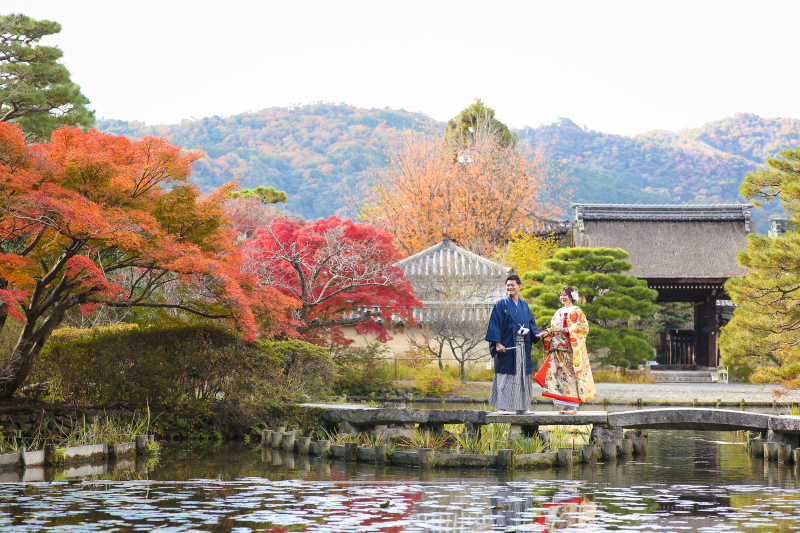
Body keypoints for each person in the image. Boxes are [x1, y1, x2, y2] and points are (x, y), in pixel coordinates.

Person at [535, 286, 596, 414]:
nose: (562, 297)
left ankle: (572, 405)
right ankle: (565, 405)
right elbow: (553, 327)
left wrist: (570, 330)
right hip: (558, 349)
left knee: (571, 376)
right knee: (559, 376)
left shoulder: (577, 310)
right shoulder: (558, 312)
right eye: (561, 295)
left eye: (565, 295)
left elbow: (584, 327)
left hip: (570, 348)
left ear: (571, 297)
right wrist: (546, 332)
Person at [485, 275, 541, 414]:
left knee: (522, 376)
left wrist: (537, 334)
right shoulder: (500, 304)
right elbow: (494, 325)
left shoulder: (524, 305)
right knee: (505, 375)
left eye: (513, 285)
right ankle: (502, 407)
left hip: (522, 346)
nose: (510, 287)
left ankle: (522, 407)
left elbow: (531, 324)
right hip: (507, 346)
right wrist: (497, 343)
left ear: (519, 286)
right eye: (508, 285)